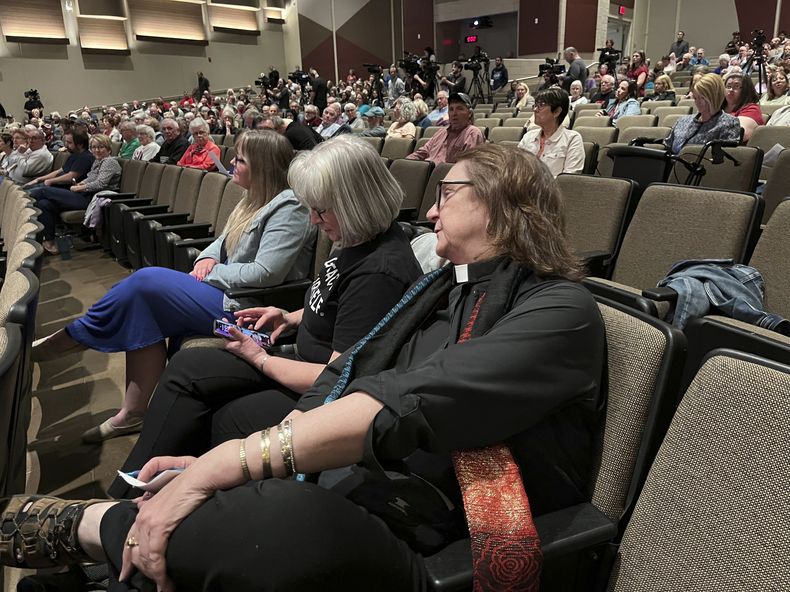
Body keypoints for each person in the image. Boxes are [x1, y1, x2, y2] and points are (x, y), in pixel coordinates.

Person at [1, 142, 605, 592]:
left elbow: (406, 396)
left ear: (502, 204)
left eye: (447, 191)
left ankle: (101, 528)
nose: (429, 206)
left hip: (447, 522)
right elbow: (359, 374)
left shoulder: (562, 310)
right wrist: (232, 467)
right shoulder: (445, 288)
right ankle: (115, 566)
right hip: (385, 485)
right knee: (255, 491)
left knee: (285, 517)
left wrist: (223, 467)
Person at [105, 134, 424, 498]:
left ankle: (136, 498)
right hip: (295, 356)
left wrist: (260, 360)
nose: (313, 219)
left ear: (356, 203)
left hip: (318, 393)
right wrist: (290, 316)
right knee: (188, 367)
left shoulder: (379, 271)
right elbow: (343, 308)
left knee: (223, 411)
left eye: (320, 209)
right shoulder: (356, 238)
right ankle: (139, 491)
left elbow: (336, 377)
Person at [32, 131, 317, 442]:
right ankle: (132, 413)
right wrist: (205, 260)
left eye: (240, 160)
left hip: (250, 315)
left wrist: (212, 273)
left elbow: (266, 273)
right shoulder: (254, 199)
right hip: (225, 295)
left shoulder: (289, 206)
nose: (230, 163)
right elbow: (220, 242)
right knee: (144, 308)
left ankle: (79, 335)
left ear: (262, 168)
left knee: (145, 282)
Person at [30, 134, 120, 254]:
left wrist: (79, 188)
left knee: (43, 191)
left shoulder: (109, 162)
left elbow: (100, 184)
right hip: (85, 195)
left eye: (100, 147)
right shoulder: (98, 161)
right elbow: (90, 177)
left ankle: (18, 205)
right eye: (93, 147)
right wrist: (81, 183)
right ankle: (49, 243)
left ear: (109, 149)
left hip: (94, 198)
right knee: (44, 204)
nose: (96, 150)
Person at [663, 73, 741, 155]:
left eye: (702, 98)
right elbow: (666, 146)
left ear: (714, 97)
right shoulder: (682, 121)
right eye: (696, 98)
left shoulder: (729, 123)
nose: (697, 102)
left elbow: (723, 160)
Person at [518, 88, 584, 177]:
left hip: (552, 190)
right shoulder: (528, 136)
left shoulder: (572, 139)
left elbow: (569, 179)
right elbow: (516, 168)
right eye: (535, 105)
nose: (535, 109)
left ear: (556, 111)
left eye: (541, 105)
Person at [406, 92, 485, 164]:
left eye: (459, 108)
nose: (454, 113)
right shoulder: (441, 132)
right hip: (426, 172)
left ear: (469, 113)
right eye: (451, 109)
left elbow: (466, 166)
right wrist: (404, 163)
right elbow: (423, 152)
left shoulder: (473, 133)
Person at [24, 128, 93, 190]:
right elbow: (58, 171)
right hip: (57, 186)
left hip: (69, 189)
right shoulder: (74, 155)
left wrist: (51, 181)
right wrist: (39, 179)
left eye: (69, 143)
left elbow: (70, 177)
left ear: (80, 144)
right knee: (26, 189)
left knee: (37, 192)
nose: (66, 145)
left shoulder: (85, 157)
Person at [723, 71, 764, 141]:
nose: (731, 90)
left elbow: (738, 134)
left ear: (746, 90)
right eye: (728, 86)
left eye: (737, 86)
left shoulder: (752, 109)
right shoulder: (717, 108)